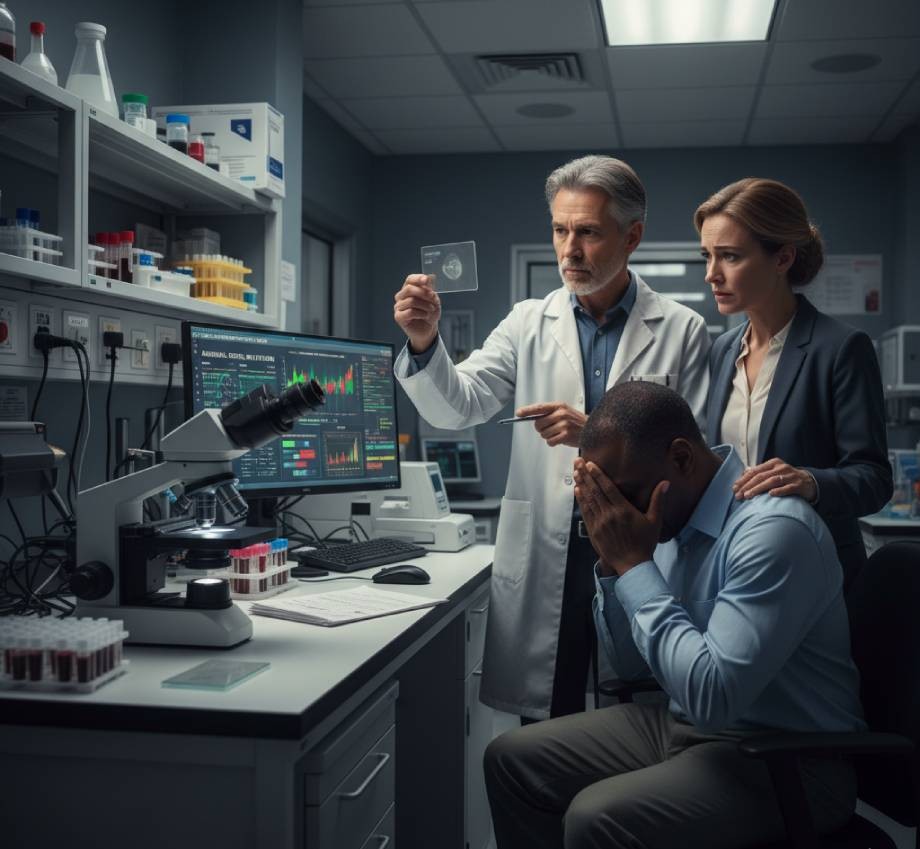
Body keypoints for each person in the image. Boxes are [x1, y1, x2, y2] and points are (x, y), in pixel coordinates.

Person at [392, 155, 710, 721]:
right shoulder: (527, 322)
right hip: (549, 547)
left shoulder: (682, 329)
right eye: (560, 230)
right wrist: (423, 342)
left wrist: (598, 434)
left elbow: (696, 456)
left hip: (640, 546)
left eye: (588, 231)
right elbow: (457, 406)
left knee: (636, 710)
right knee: (546, 717)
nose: (570, 249)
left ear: (632, 236)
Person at [484, 381, 865, 849]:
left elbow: (712, 696)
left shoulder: (771, 531)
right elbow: (630, 666)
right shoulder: (666, 520)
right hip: (685, 726)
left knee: (596, 818)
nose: (619, 513)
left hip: (789, 761)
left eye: (625, 493)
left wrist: (635, 566)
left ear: (682, 458)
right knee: (511, 757)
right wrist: (612, 565)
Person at [697, 178, 891, 589]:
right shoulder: (722, 351)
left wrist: (810, 482)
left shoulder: (841, 348)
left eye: (729, 257)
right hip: (736, 564)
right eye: (707, 256)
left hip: (816, 570)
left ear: (782, 257)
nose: (712, 274)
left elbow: (874, 479)